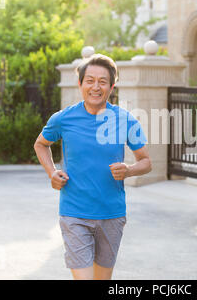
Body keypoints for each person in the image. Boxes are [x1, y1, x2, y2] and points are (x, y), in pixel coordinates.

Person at [33, 54, 152, 280]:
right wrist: (52, 172)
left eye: (102, 81)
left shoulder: (125, 119)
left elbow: (146, 162)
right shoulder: (63, 119)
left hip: (111, 214)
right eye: (89, 80)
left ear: (112, 86)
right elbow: (41, 145)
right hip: (74, 213)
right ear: (80, 84)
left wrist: (129, 170)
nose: (95, 87)